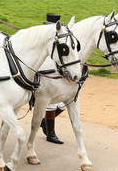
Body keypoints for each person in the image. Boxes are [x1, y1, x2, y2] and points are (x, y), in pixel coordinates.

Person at [41, 12, 65, 144]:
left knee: (63, 104)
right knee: (52, 103)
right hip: (43, 71)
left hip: (55, 69)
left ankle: (44, 121)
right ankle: (50, 133)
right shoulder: (43, 37)